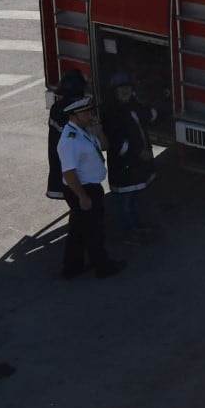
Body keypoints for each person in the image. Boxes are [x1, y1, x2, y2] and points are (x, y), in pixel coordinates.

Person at [56, 94, 123, 280]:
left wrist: (99, 131)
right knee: (94, 231)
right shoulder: (70, 140)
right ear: (73, 117)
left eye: (90, 111)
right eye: (85, 113)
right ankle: (103, 267)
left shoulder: (83, 131)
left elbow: (104, 146)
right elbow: (69, 173)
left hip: (90, 187)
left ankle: (71, 267)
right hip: (83, 189)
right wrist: (82, 197)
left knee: (78, 230)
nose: (90, 115)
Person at [102, 72, 158, 243]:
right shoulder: (111, 113)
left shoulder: (134, 106)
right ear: (115, 92)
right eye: (122, 89)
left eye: (128, 88)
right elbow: (117, 140)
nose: (125, 91)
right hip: (124, 167)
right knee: (125, 203)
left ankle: (138, 226)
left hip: (136, 167)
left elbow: (150, 115)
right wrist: (138, 152)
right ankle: (129, 232)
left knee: (136, 198)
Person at [45, 70, 88, 202]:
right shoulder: (68, 114)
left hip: (62, 164)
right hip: (70, 168)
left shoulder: (57, 109)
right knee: (78, 203)